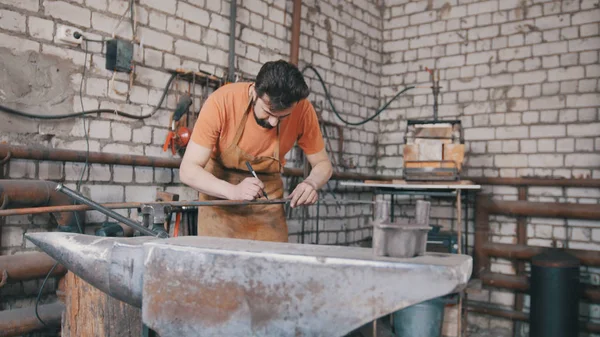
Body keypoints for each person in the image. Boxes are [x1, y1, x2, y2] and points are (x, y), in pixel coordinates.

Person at [179, 60, 333, 242]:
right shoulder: (222, 101)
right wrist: (233, 192)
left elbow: (323, 165)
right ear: (254, 92)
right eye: (268, 112)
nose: (274, 122)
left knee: (271, 265)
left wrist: (311, 183)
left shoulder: (304, 110)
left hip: (266, 204)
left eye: (284, 116)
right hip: (220, 200)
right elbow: (188, 170)